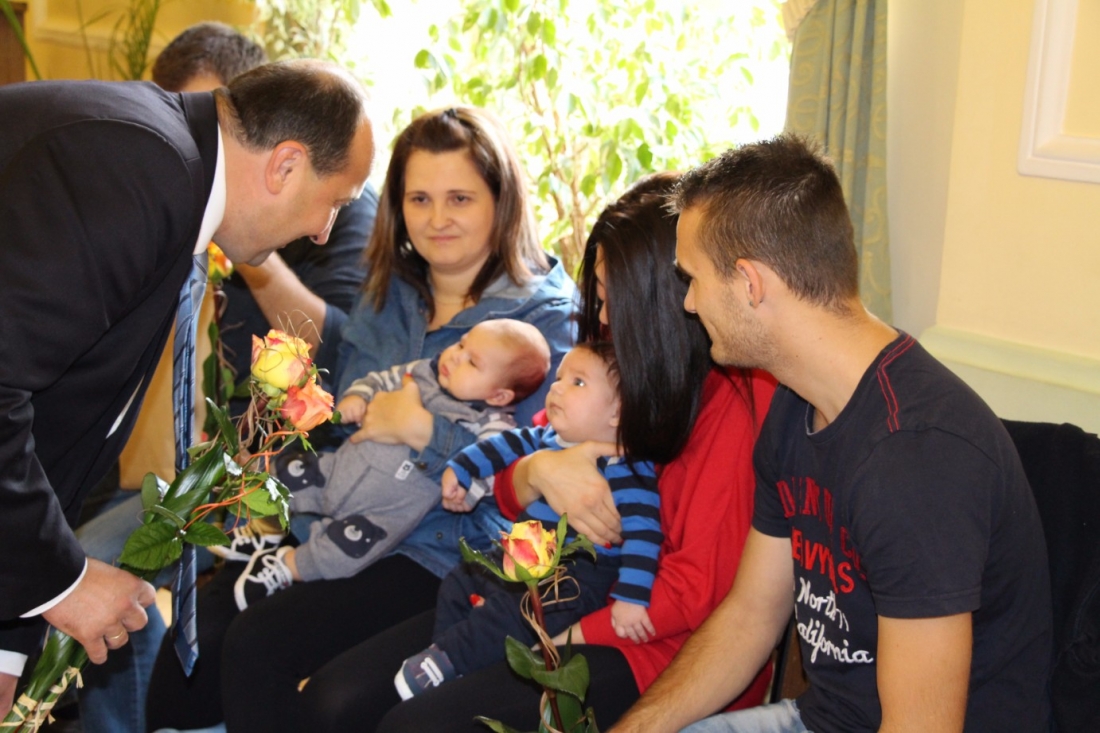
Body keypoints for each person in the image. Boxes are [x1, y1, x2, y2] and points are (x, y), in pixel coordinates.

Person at [215, 173, 775, 732]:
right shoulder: (617, 365)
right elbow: (507, 486)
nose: (603, 318)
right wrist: (540, 470)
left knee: (406, 723)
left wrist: (573, 629)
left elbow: (695, 592)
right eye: (600, 298)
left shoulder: (729, 402)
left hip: (642, 643)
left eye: (612, 300)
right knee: (331, 699)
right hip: (530, 589)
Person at [144, 105, 577, 731]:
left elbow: (528, 469)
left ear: (501, 200)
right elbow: (346, 413)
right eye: (419, 199)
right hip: (342, 508)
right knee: (194, 637)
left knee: (261, 645)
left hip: (439, 550)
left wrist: (422, 430)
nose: (437, 219)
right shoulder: (388, 290)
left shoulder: (541, 325)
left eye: (460, 198)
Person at [610, 135, 1053, 733]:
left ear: (749, 283)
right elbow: (750, 616)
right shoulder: (798, 402)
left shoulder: (915, 459)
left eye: (692, 279)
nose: (689, 304)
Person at [0, 57, 374, 719]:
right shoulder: (137, 171)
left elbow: (53, 408)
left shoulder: (167, 171)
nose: (323, 231)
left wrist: (7, 644)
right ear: (286, 165)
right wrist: (64, 582)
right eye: (336, 202)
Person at [395, 341, 660, 699]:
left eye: (578, 382)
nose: (557, 388)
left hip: (573, 575)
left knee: (516, 614)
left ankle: (449, 660)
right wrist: (462, 468)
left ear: (618, 413)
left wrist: (632, 597)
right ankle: (448, 656)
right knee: (460, 580)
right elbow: (505, 444)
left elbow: (645, 534)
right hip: (523, 549)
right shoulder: (550, 438)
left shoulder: (627, 466)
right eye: (560, 377)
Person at [227, 318, 551, 609]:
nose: (455, 356)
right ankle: (264, 527)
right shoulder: (422, 371)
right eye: (461, 344)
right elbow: (378, 380)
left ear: (498, 396)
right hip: (340, 468)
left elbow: (490, 468)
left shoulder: (492, 426)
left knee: (345, 552)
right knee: (289, 475)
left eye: (472, 361)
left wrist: (465, 491)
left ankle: (286, 566)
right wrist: (357, 397)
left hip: (384, 511)